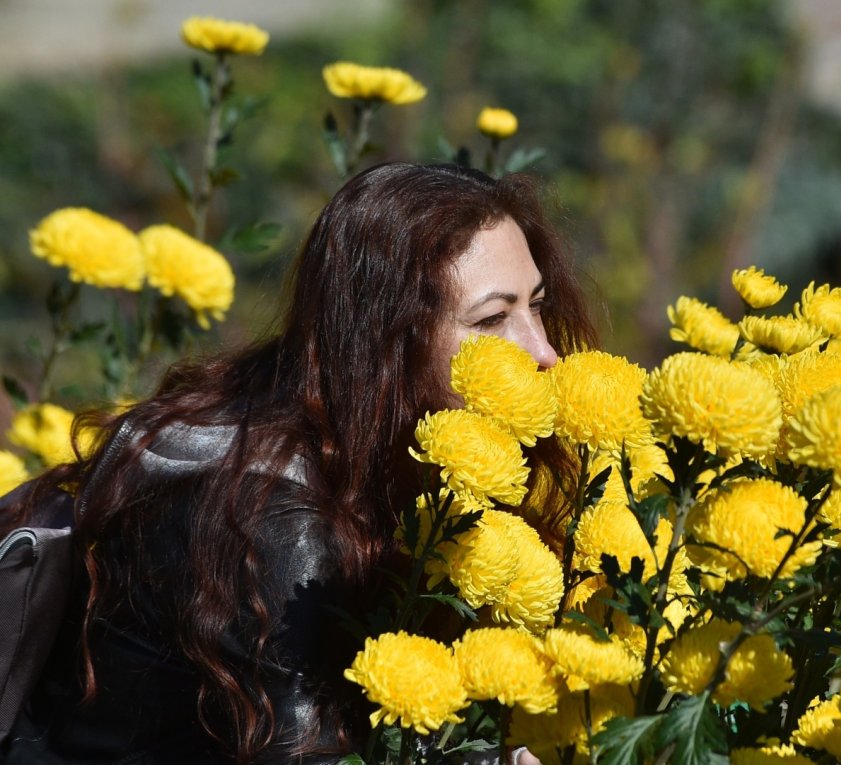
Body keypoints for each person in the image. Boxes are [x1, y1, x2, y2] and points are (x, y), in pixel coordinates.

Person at [0, 162, 599, 764]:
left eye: (538, 305)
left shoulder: (350, 438)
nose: (544, 352)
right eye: (492, 319)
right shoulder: (265, 517)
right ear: (385, 340)